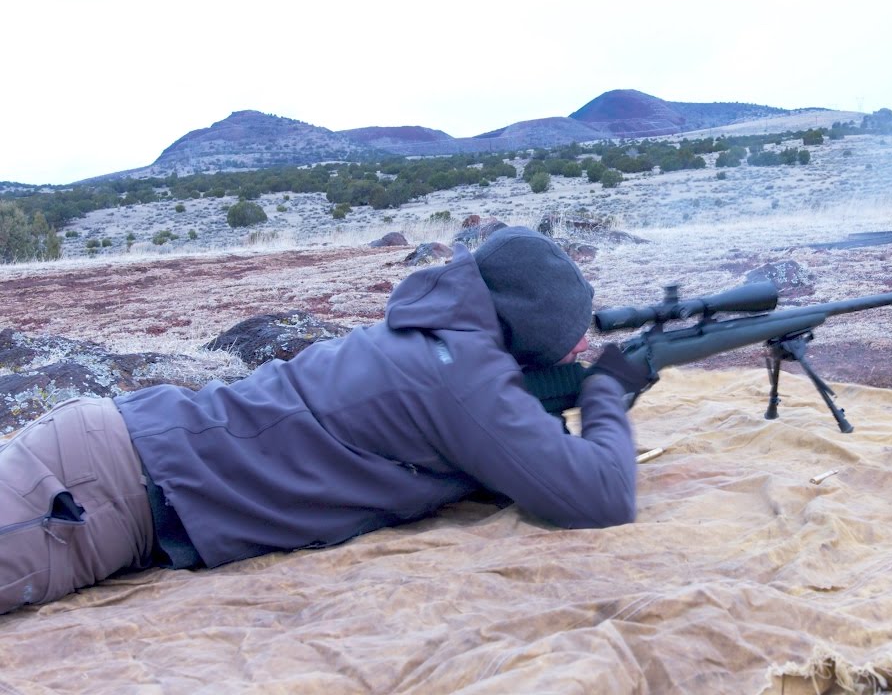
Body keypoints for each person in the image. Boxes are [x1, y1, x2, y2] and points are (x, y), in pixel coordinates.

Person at [0, 227, 653, 615]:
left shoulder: (437, 336)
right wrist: (605, 390)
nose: (576, 351)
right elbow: (600, 493)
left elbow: (499, 448)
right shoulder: (462, 374)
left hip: (106, 460)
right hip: (95, 492)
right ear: (531, 327)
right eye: (569, 340)